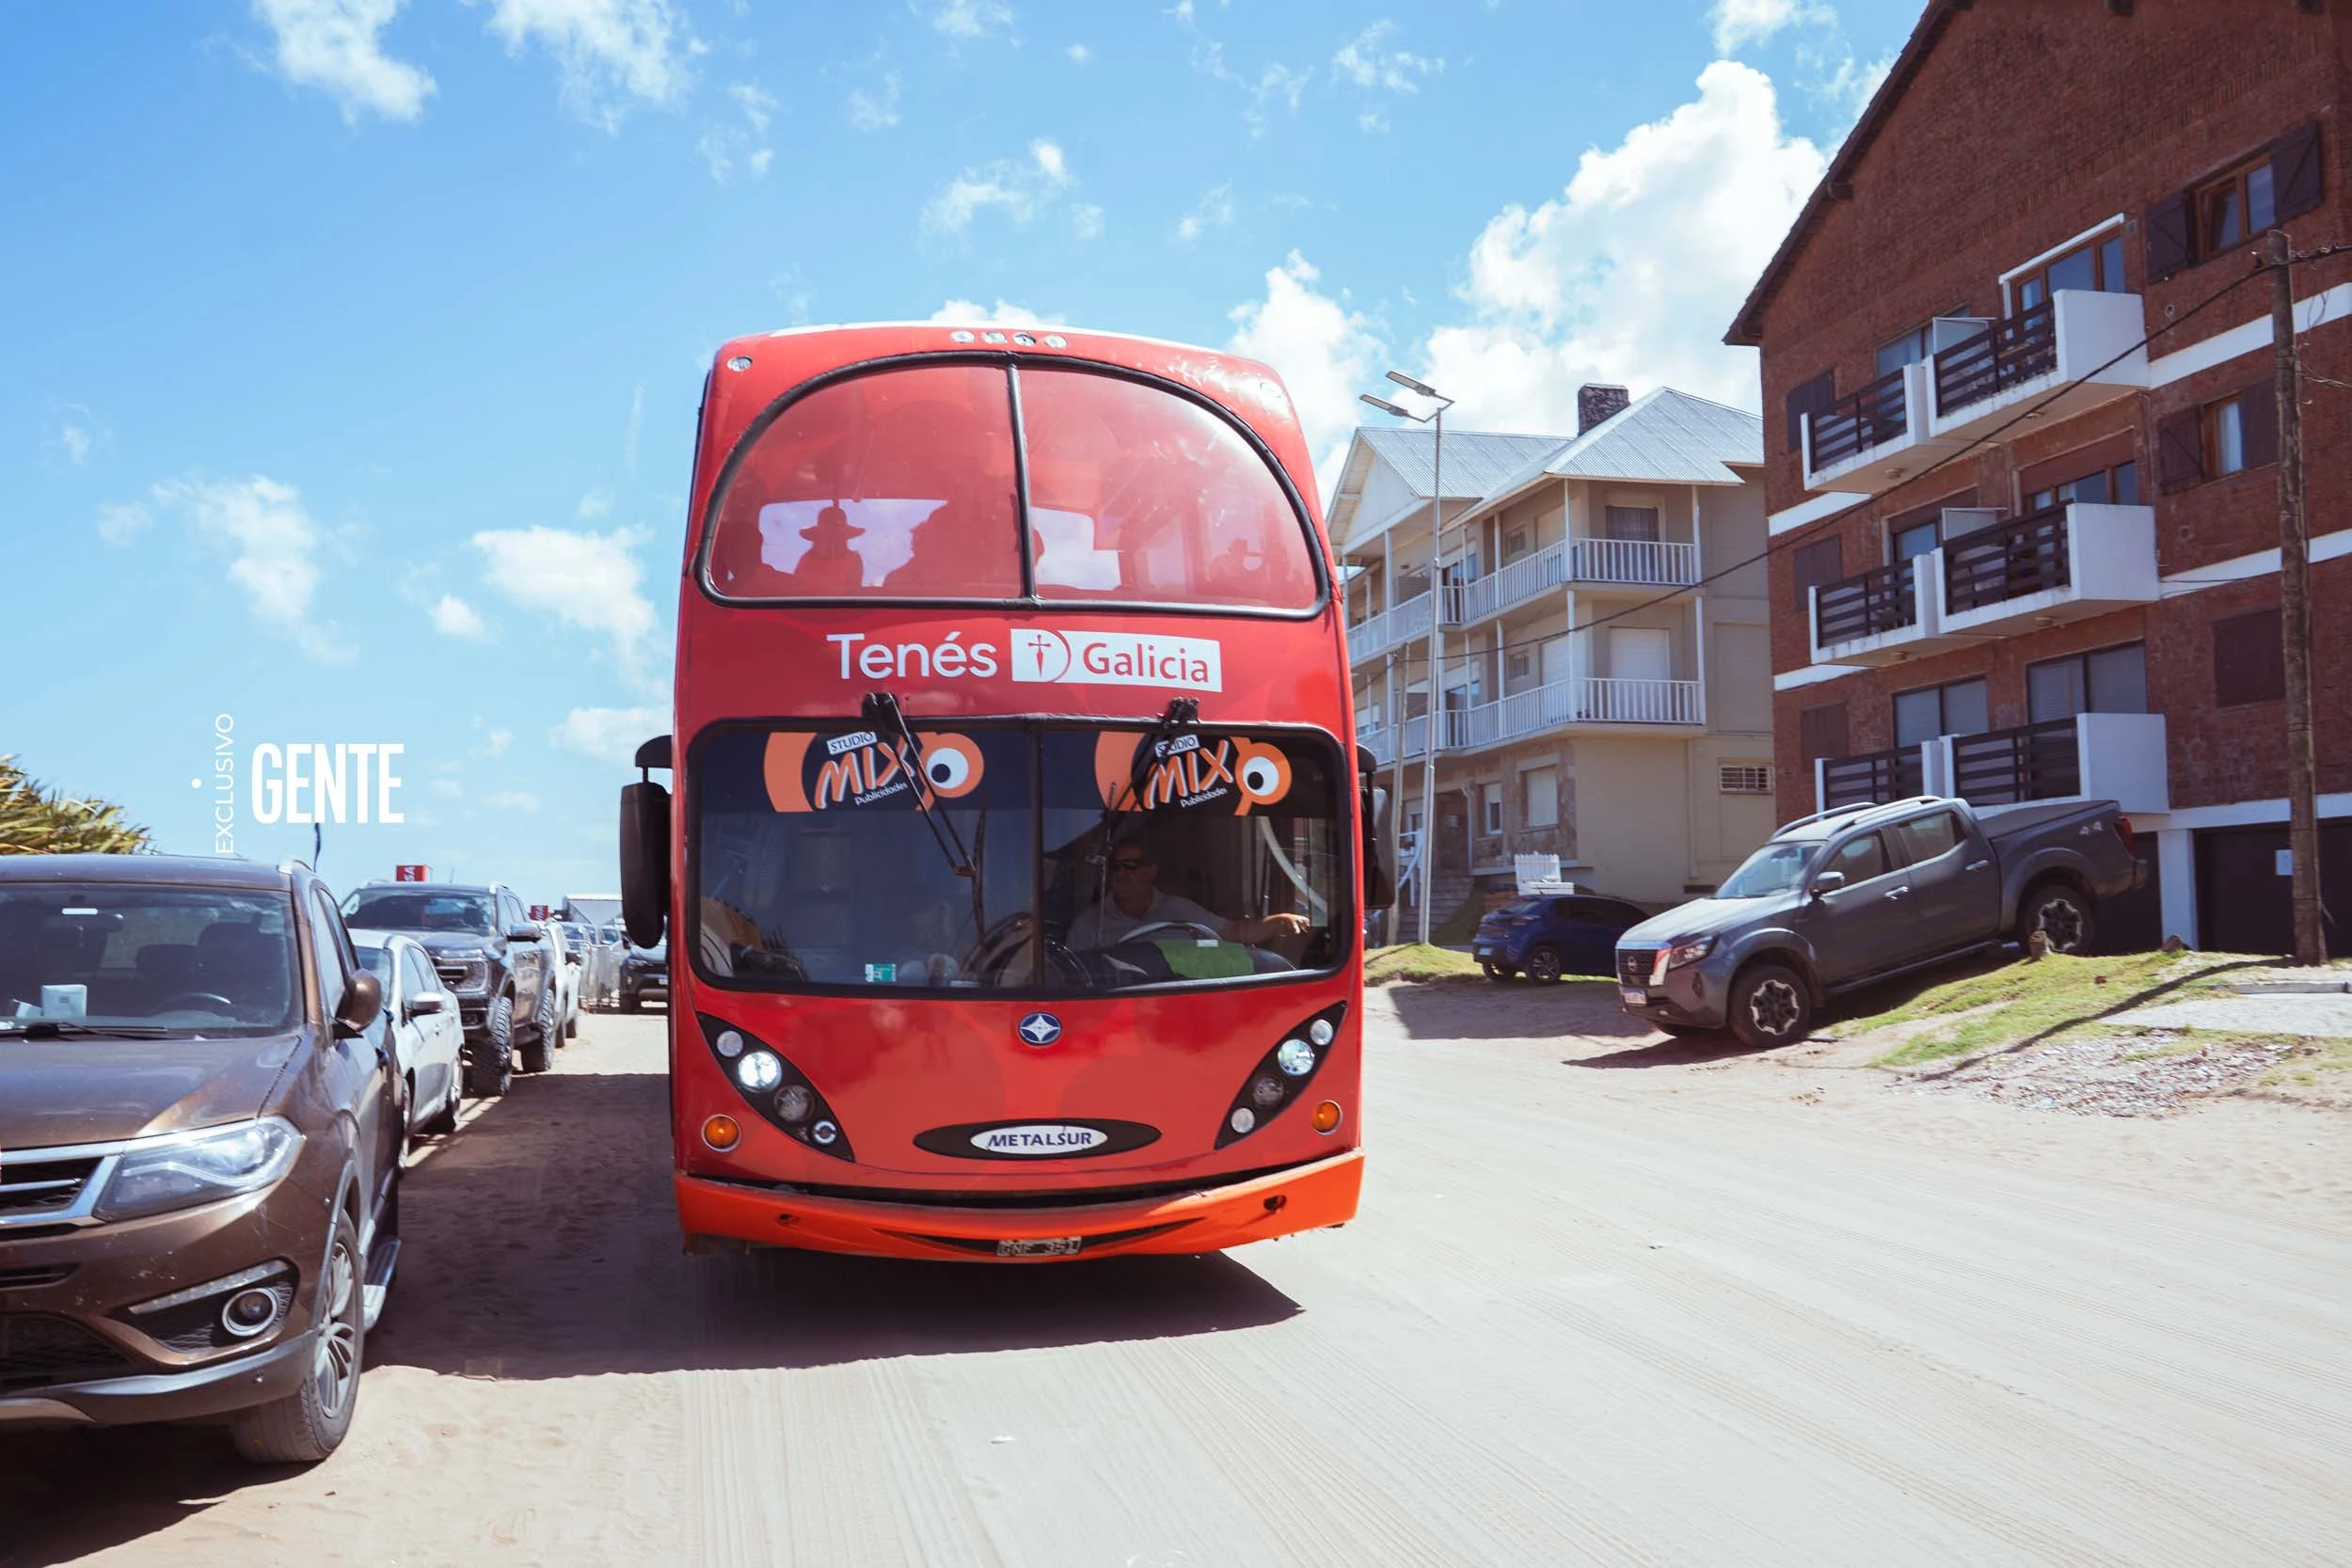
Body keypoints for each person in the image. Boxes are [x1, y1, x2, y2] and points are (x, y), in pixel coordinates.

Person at [1067, 840, 1311, 950]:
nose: (1120, 873)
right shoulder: (1089, 925)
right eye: (1115, 866)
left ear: (1152, 870)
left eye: (1130, 865)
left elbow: (1235, 933)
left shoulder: (1179, 909)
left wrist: (1280, 921)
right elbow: (1073, 979)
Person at [791, 504, 867, 594]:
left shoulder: (853, 560)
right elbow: (797, 594)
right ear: (817, 537)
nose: (833, 540)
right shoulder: (805, 561)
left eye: (839, 536)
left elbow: (853, 596)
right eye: (828, 536)